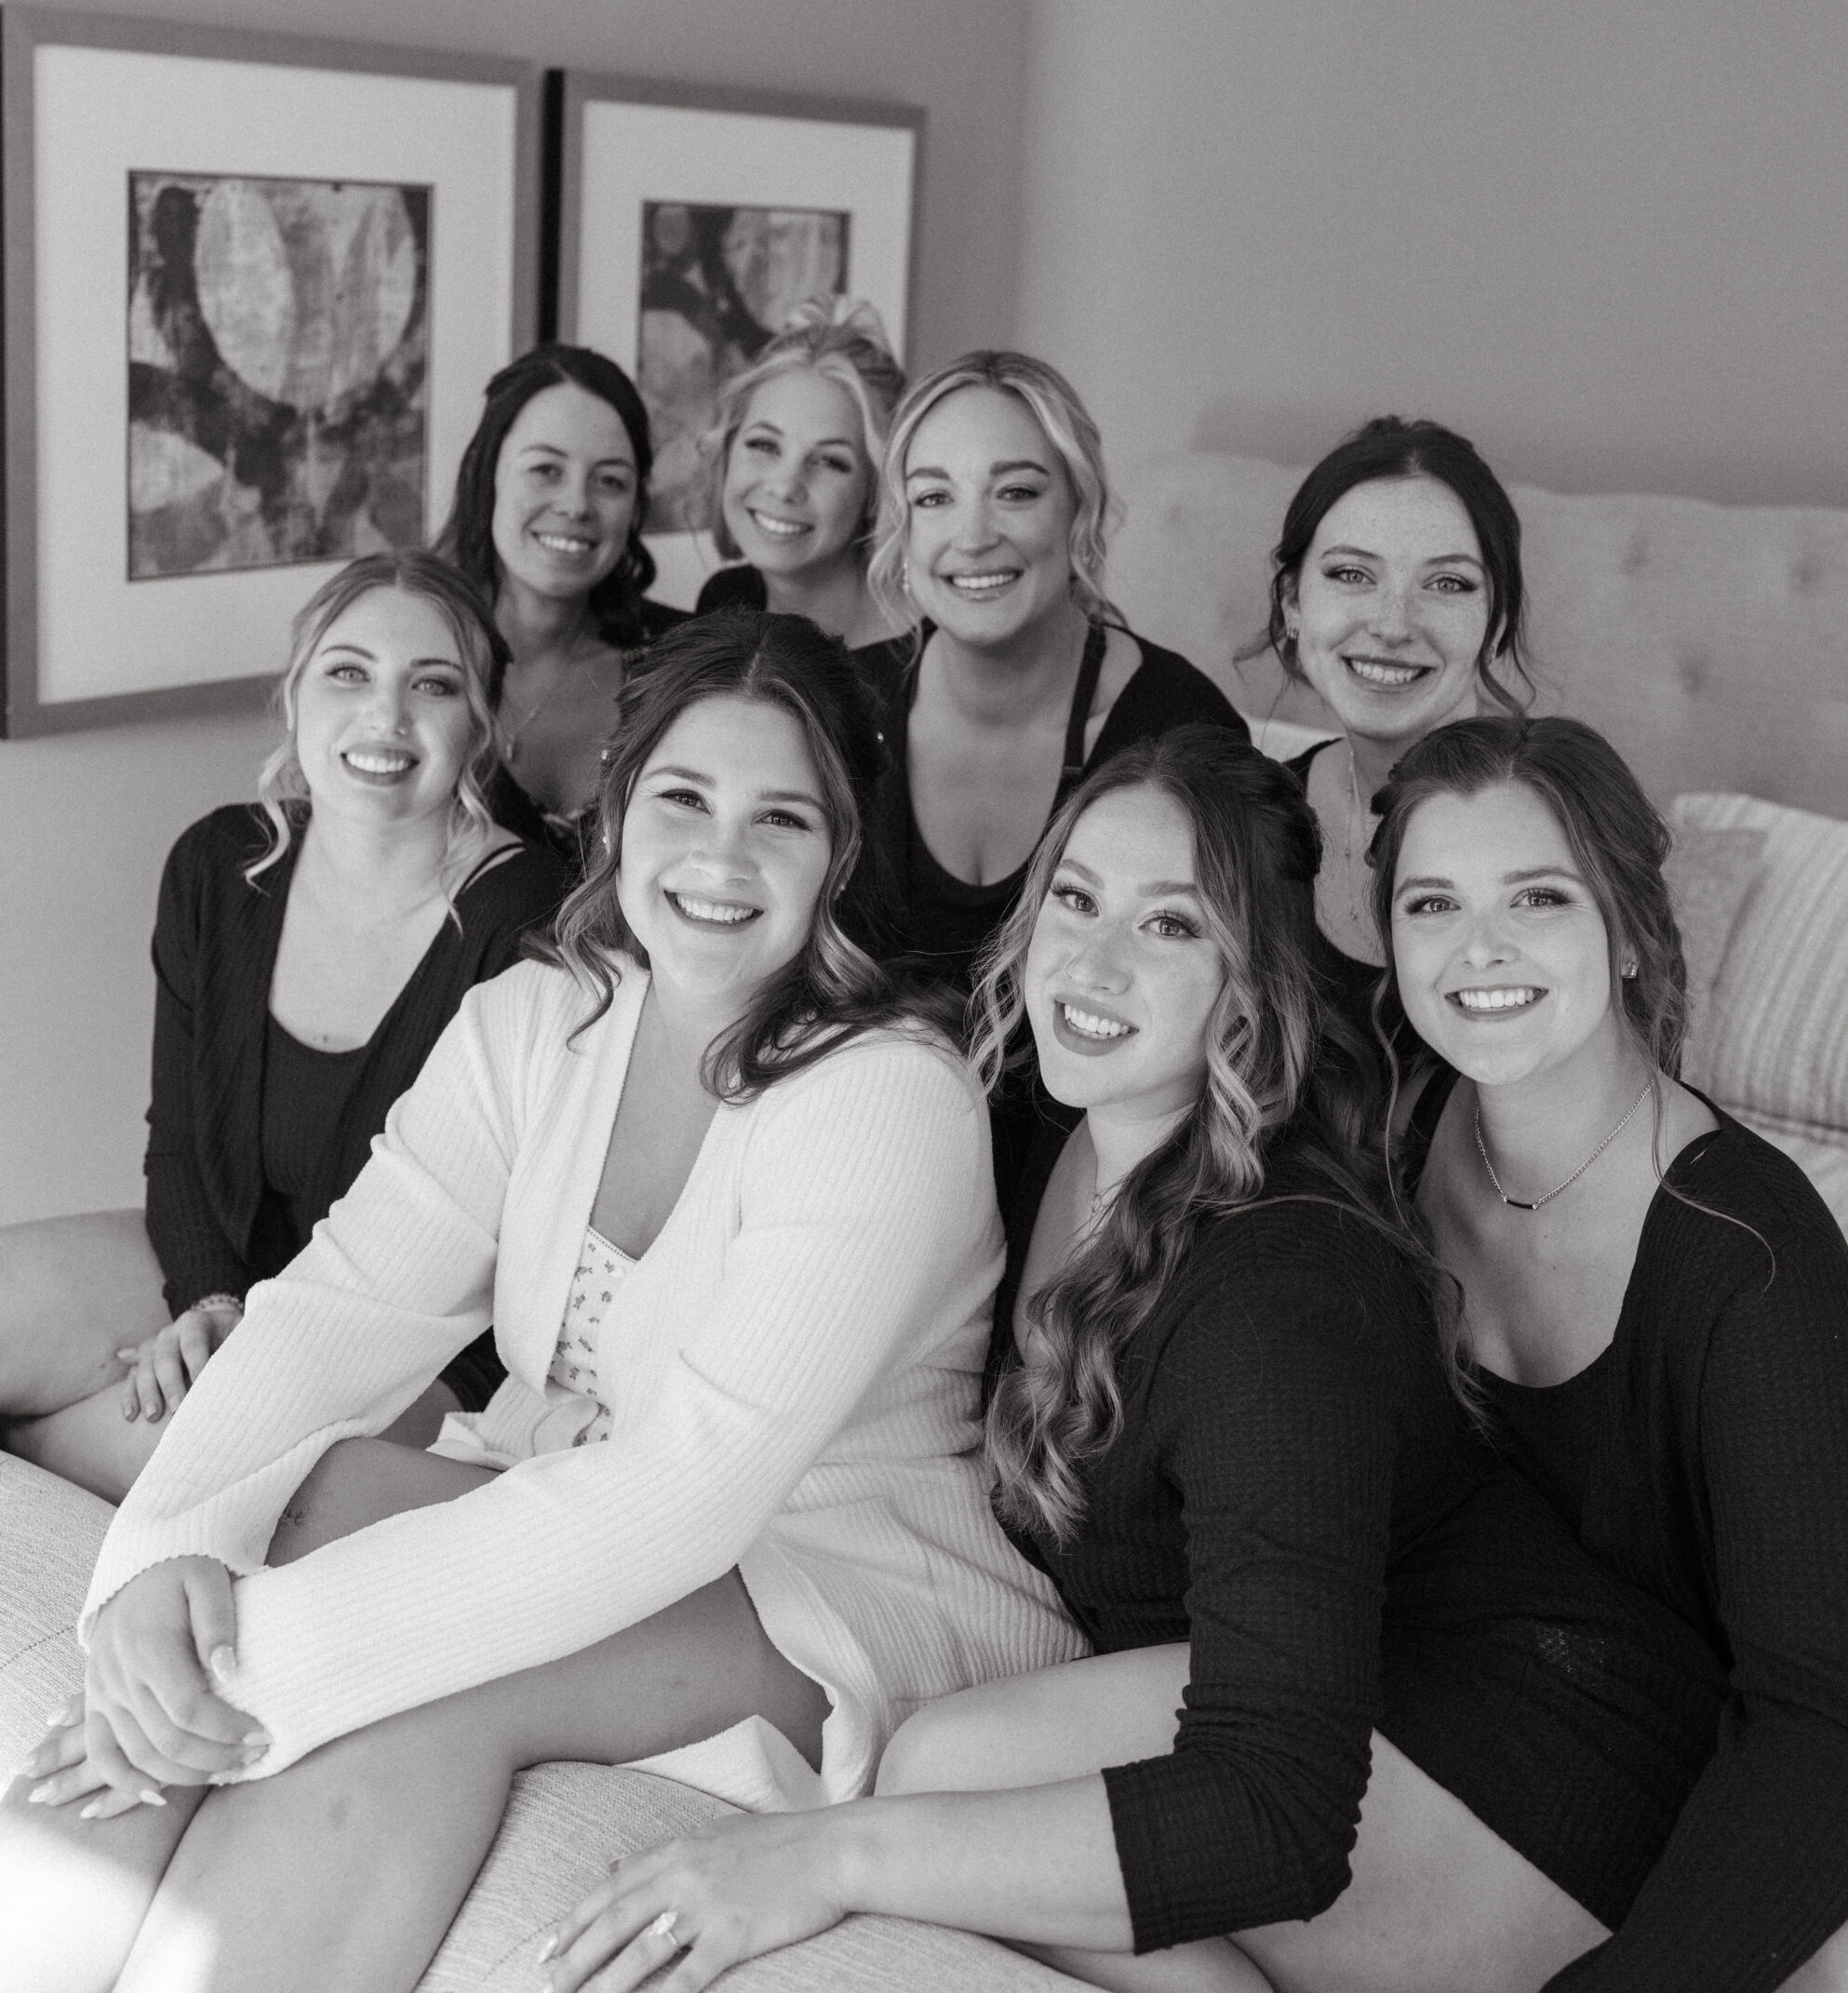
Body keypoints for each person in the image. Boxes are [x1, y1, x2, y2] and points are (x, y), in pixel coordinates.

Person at [527, 726, 1732, 1993]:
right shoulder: (1057, 1132)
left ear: (1249, 983)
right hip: (1312, 1689)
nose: (1093, 964)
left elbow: (1280, 1805)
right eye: (1076, 901)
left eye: (1170, 928)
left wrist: (828, 1861)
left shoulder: (1284, 1288)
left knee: (946, 1770)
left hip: (1534, 1771)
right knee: (945, 1758)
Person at [8, 615, 1078, 1993]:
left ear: (842, 855)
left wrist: (254, 1674)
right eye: (684, 798)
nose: (721, 859)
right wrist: (150, 1574)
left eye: (784, 820)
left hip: (824, 1573)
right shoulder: (538, 1020)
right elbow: (338, 1308)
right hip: (575, 1490)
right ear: (617, 804)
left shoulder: (885, 1095)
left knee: (407, 1695)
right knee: (260, 1533)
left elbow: (690, 1492)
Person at [1382, 714, 1848, 1992]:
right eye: (1432, 904)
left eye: (1538, 898)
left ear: (1635, 931)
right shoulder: (1391, 1129)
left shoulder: (1750, 1257)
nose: (1478, 948)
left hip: (1707, 1784)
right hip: (1472, 1711)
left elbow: (1826, 1722)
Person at [0, 553, 568, 1507]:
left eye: (431, 685)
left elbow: (485, 1252)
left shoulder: (527, 918)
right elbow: (179, 1140)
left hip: (417, 1331)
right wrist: (209, 1303)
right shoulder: (220, 864)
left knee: (183, 1455)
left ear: (481, 727)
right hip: (227, 1257)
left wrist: (256, 1348)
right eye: (348, 672)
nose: (384, 718)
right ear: (295, 694)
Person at [851, 353, 1244, 1197]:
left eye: (1017, 491)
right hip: (856, 1164)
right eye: (934, 497)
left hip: (1093, 1192)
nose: (973, 534)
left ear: (1079, 509)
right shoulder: (841, 708)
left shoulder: (1182, 730)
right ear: (903, 530)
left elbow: (1226, 1019)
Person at [1243, 415, 1529, 1050]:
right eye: (1351, 574)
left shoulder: (1564, 827)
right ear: (1293, 602)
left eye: (1447, 583)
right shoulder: (1253, 818)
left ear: (1499, 622)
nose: (1394, 624)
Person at [435, 343, 685, 843]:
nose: (576, 505)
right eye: (546, 470)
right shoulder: (411, 646)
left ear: (635, 506)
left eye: (609, 481)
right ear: (487, 476)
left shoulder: (683, 663)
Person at [692, 297, 903, 645]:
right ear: (727, 449)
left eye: (829, 461)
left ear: (875, 491)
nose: (785, 486)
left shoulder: (928, 653)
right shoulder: (725, 602)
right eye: (765, 445)